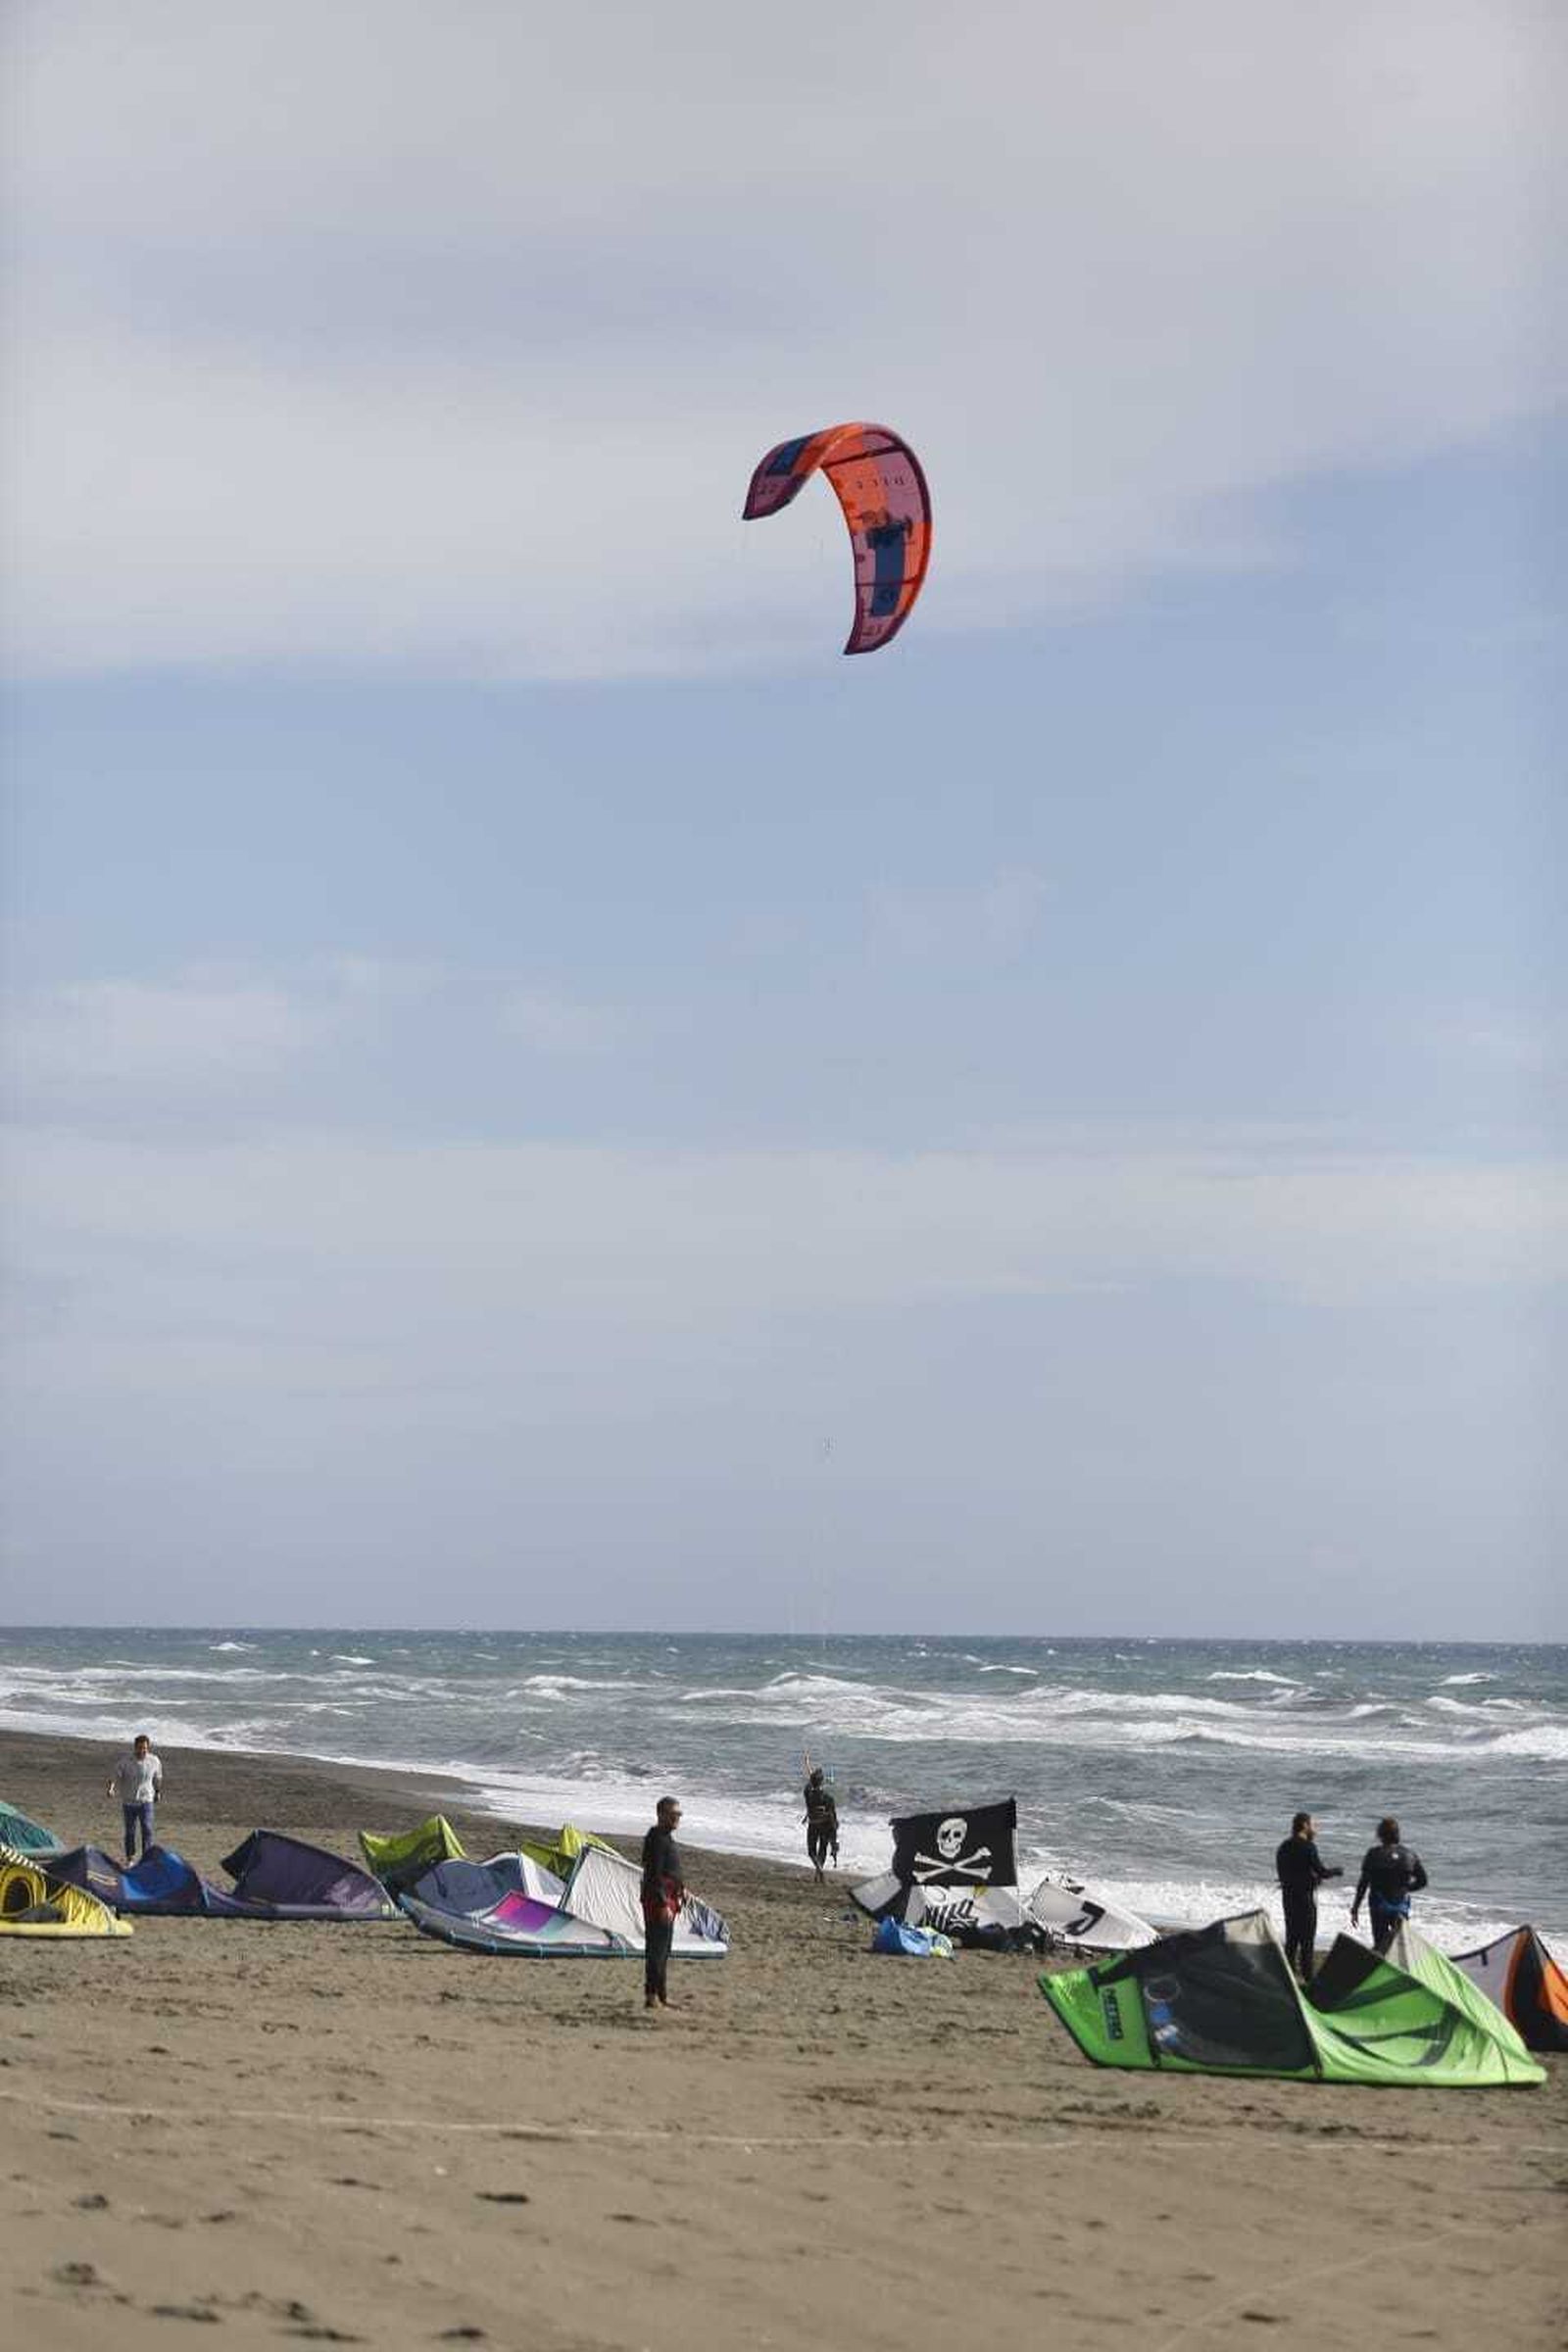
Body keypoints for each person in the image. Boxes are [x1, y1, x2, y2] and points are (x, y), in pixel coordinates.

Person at [1274, 1811, 1342, 1982]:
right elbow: (1322, 1872)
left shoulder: (1283, 1847)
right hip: (1305, 1900)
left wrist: (1309, 1878)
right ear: (1305, 1825)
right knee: (1307, 1942)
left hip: (1288, 1899)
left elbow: (1285, 1874)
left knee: (1291, 1939)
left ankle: (1287, 1978)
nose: (1315, 1829)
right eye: (1313, 1825)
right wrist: (1337, 1871)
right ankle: (1308, 1979)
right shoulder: (1308, 1847)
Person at [1351, 1816, 1429, 1952]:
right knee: (1401, 1947)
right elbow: (1423, 1881)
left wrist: (1355, 1908)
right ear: (1397, 1834)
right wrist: (1406, 1888)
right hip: (1401, 1905)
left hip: (1379, 1905)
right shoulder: (1409, 1854)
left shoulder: (1374, 1854)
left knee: (1380, 1944)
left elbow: (1363, 1884)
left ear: (1380, 1834)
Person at [639, 1795, 685, 2011]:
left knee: (664, 1950)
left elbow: (670, 1870)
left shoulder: (665, 1838)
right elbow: (654, 1875)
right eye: (673, 1814)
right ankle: (652, 1996)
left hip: (669, 1898)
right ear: (661, 1815)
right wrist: (663, 1903)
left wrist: (682, 1890)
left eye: (679, 1814)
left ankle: (660, 1996)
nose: (677, 1818)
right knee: (657, 1950)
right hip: (658, 1901)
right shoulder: (656, 1839)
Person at [107, 1733, 163, 1863]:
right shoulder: (125, 1762)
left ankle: (146, 1859)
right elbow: (114, 1776)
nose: (142, 1751)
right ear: (135, 1747)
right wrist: (111, 1789)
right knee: (130, 1831)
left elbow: (158, 1778)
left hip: (146, 1800)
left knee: (147, 1829)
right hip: (129, 1802)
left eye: (145, 1748)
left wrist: (158, 1791)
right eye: (139, 1748)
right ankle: (130, 1858)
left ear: (148, 1748)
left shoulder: (154, 1761)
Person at [803, 1766, 840, 1883]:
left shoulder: (808, 1795)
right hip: (826, 1826)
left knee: (811, 1851)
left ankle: (819, 1870)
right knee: (822, 1849)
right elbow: (833, 1816)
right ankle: (819, 1872)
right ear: (822, 1782)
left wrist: (809, 1767)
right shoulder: (829, 1798)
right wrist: (834, 1834)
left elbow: (808, 1786)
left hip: (813, 1825)